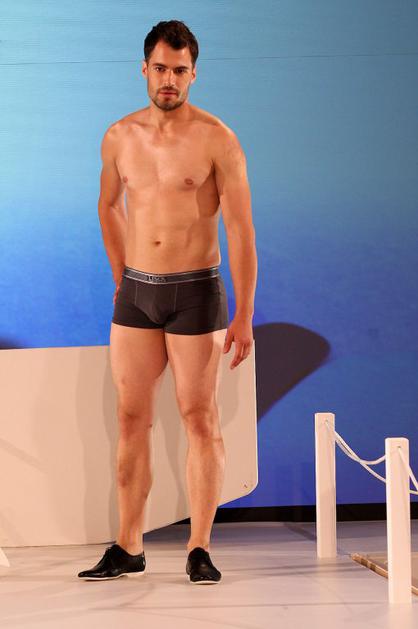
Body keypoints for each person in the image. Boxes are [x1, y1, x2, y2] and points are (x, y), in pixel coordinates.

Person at [78, 19, 257, 584]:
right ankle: (129, 545)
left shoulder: (217, 139)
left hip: (196, 291)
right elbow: (108, 205)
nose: (169, 80)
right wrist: (120, 274)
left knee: (199, 418)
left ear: (194, 74)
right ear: (144, 69)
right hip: (137, 291)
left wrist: (245, 314)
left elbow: (241, 231)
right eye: (160, 68)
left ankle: (199, 547)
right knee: (131, 418)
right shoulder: (119, 136)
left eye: (180, 70)